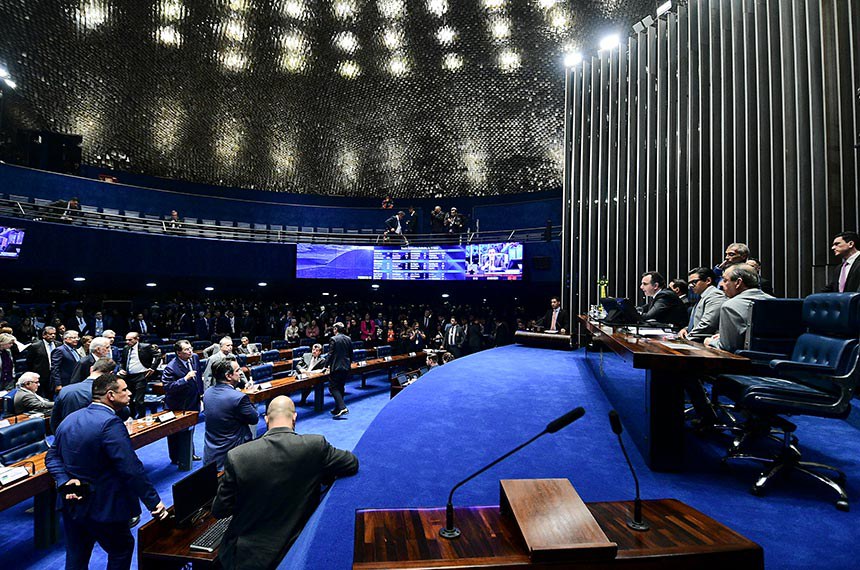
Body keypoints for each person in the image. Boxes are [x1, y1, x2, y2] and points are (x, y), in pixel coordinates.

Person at [211, 396, 358, 570]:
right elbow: (351, 463)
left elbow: (220, 510)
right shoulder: (314, 446)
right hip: (296, 550)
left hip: (247, 559)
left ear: (266, 418)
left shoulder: (238, 456)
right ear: (294, 417)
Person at [46, 373, 168, 570]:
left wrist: (64, 480)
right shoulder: (110, 423)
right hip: (104, 505)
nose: (129, 393)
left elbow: (51, 457)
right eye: (125, 390)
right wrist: (154, 502)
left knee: (77, 554)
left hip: (73, 504)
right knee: (121, 549)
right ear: (110, 395)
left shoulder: (70, 419)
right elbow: (130, 468)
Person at [203, 359, 259, 471]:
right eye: (237, 370)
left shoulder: (207, 392)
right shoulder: (238, 397)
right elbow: (254, 418)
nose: (240, 373)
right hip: (233, 453)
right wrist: (250, 395)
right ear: (228, 376)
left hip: (212, 450)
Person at [705, 263, 774, 353]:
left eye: (725, 280)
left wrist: (712, 342)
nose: (721, 285)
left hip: (744, 364)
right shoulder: (774, 301)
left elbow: (728, 348)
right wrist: (722, 337)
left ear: (738, 282)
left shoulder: (730, 306)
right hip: (781, 362)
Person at [161, 340, 202, 464]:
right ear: (179, 353)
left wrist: (201, 394)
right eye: (186, 350)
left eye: (191, 348)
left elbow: (198, 378)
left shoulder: (194, 358)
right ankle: (175, 458)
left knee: (190, 429)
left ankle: (189, 453)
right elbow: (168, 387)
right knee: (175, 432)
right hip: (177, 404)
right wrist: (185, 379)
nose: (190, 351)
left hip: (192, 400)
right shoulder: (171, 367)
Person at [119, 332, 161, 419]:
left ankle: (142, 417)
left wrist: (153, 368)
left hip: (141, 376)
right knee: (129, 398)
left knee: (139, 400)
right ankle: (131, 416)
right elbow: (122, 361)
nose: (127, 342)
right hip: (129, 376)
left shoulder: (145, 347)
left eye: (130, 340)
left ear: (137, 339)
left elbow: (158, 355)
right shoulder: (126, 348)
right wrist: (121, 369)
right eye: (126, 340)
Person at [679, 267, 725, 341]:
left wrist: (687, 339)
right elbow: (697, 321)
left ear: (708, 280)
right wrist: (686, 329)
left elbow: (707, 325)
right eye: (689, 283)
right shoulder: (703, 296)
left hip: (706, 343)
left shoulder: (715, 295)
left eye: (694, 282)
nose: (690, 286)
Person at [327, 322, 352, 418]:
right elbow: (351, 354)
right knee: (341, 386)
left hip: (336, 367)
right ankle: (337, 408)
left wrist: (325, 366)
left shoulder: (333, 339)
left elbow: (330, 354)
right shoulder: (348, 338)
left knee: (333, 387)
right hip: (346, 366)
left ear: (336, 329)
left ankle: (342, 407)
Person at [26, 326, 57, 399]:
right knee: (40, 396)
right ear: (44, 335)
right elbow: (29, 362)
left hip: (54, 375)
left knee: (53, 395)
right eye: (50, 334)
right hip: (41, 375)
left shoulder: (58, 344)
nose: (53, 335)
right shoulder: (35, 346)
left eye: (54, 334)